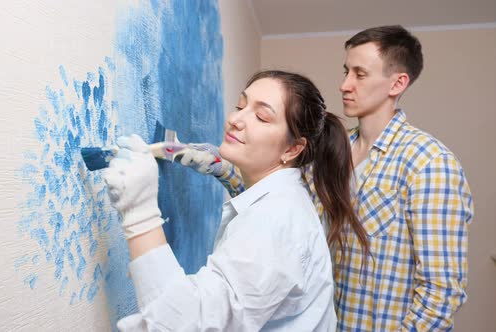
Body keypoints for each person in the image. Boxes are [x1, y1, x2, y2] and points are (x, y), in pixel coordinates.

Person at [180, 25, 474, 331]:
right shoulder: (332, 151)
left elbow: (441, 295)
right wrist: (219, 165)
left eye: (360, 74)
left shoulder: (429, 163)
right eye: (346, 71)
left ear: (397, 83)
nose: (344, 85)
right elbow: (278, 203)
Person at [103, 70, 369, 331]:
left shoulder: (275, 221)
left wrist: (139, 211)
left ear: (292, 148)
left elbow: (184, 323)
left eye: (261, 117)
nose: (236, 119)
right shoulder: (284, 200)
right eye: (240, 105)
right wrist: (223, 170)